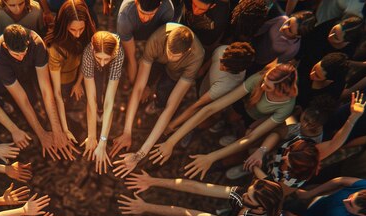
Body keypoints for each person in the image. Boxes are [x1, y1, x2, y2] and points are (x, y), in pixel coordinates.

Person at [167, 63, 298, 179]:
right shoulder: (258, 79)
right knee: (226, 116)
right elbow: (211, 108)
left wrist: (211, 157)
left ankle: (215, 166)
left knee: (243, 143)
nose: (263, 86)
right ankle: (200, 130)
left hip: (258, 120)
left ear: (280, 91)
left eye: (268, 87)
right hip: (245, 104)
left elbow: (252, 137)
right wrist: (173, 137)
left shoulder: (286, 106)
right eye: (264, 80)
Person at [112, 23, 204, 178]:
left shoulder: (197, 55)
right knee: (145, 84)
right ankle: (153, 91)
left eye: (175, 56)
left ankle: (157, 102)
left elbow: (171, 107)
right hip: (154, 61)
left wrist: (140, 154)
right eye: (169, 51)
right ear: (167, 39)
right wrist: (127, 131)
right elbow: (138, 89)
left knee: (165, 93)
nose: (170, 57)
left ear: (187, 51)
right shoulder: (157, 38)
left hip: (176, 74)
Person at [0, 25, 77, 160]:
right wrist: (42, 134)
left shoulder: (36, 43)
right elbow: (22, 100)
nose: (20, 57)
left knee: (42, 92)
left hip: (35, 70)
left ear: (28, 43)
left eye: (24, 52)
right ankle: (38, 124)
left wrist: (57, 129)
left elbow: (46, 90)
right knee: (29, 99)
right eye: (16, 54)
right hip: (15, 77)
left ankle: (47, 117)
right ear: (6, 47)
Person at [158, 41, 255, 156]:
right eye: (222, 61)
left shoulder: (226, 84)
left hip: (216, 102)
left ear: (236, 71)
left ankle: (193, 130)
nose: (221, 65)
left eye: (225, 67)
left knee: (211, 116)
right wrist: (200, 72)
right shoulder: (222, 50)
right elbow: (211, 62)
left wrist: (171, 125)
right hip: (207, 87)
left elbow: (198, 105)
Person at [122, 175, 284, 216]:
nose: (244, 195)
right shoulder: (251, 194)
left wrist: (146, 207)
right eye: (248, 191)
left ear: (260, 208)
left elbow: (193, 215)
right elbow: (198, 188)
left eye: (249, 197)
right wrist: (153, 181)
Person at [45, 0, 96, 146]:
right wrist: (64, 129)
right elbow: (57, 92)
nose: (78, 34)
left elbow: (86, 60)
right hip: (61, 81)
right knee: (61, 103)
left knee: (75, 101)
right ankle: (66, 124)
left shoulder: (87, 35)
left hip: (77, 76)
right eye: (73, 30)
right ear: (64, 25)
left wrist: (79, 82)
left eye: (81, 29)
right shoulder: (55, 48)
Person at [80, 31, 124, 174]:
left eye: (106, 59)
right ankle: (99, 116)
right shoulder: (88, 53)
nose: (103, 63)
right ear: (93, 50)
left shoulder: (118, 53)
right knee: (97, 94)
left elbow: (109, 101)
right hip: (91, 66)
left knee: (107, 97)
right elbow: (90, 98)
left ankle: (102, 118)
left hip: (115, 61)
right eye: (99, 58)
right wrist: (92, 135)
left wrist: (103, 141)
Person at [116, 0, 174, 84]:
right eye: (142, 13)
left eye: (151, 14)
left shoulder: (167, 10)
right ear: (136, 2)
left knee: (157, 57)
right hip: (132, 31)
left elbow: (159, 45)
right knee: (131, 58)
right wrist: (133, 86)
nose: (146, 18)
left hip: (155, 32)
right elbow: (131, 58)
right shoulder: (124, 17)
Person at [252, 11, 316, 68]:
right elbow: (262, 28)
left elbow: (274, 66)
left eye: (290, 30)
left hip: (259, 63)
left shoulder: (292, 49)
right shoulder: (282, 19)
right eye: (288, 22)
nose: (284, 27)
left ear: (298, 36)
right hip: (252, 44)